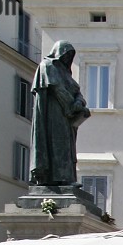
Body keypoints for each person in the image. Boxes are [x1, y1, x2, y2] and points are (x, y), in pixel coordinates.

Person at [30, 40, 91, 186]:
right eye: (65, 54)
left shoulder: (66, 74)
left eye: (70, 55)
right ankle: (59, 179)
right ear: (58, 52)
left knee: (66, 147)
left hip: (66, 117)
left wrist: (79, 103)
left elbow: (78, 92)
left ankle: (66, 178)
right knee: (57, 144)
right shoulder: (48, 66)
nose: (67, 58)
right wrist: (71, 107)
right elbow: (58, 89)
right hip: (53, 114)